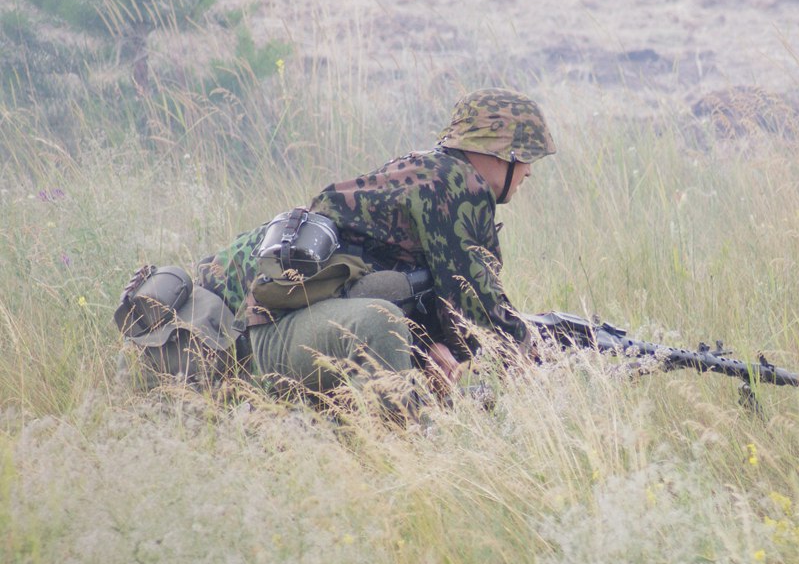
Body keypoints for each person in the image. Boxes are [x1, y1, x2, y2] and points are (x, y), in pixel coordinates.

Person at [194, 88, 556, 402]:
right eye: (526, 156)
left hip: (276, 331)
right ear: (501, 152)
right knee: (381, 326)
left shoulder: (421, 171)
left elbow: (419, 292)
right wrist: (550, 362)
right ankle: (405, 439)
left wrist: (428, 344)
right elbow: (481, 315)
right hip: (276, 335)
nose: (528, 170)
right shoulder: (456, 185)